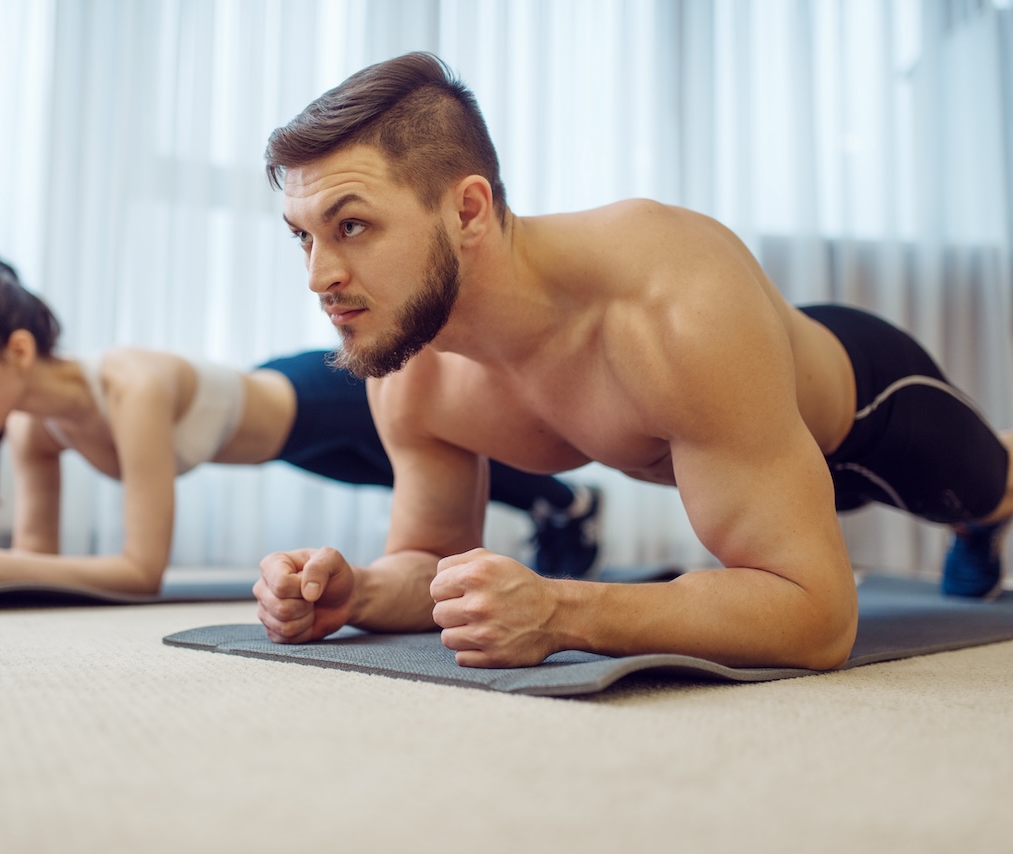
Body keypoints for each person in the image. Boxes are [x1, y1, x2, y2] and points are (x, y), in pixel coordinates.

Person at [252, 52, 1013, 670]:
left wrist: (562, 610)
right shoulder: (407, 361)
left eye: (351, 225)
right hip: (747, 450)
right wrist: (357, 594)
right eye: (304, 236)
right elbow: (431, 557)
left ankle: (983, 524)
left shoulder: (671, 306)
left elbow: (817, 617)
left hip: (866, 413)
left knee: (990, 494)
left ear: (469, 209)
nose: (319, 277)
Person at [0, 256, 601, 597]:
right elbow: (36, 562)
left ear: (17, 351)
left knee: (458, 454)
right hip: (288, 447)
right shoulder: (33, 431)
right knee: (406, 475)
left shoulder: (131, 385)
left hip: (315, 395)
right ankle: (557, 507)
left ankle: (566, 502)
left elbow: (138, 573)